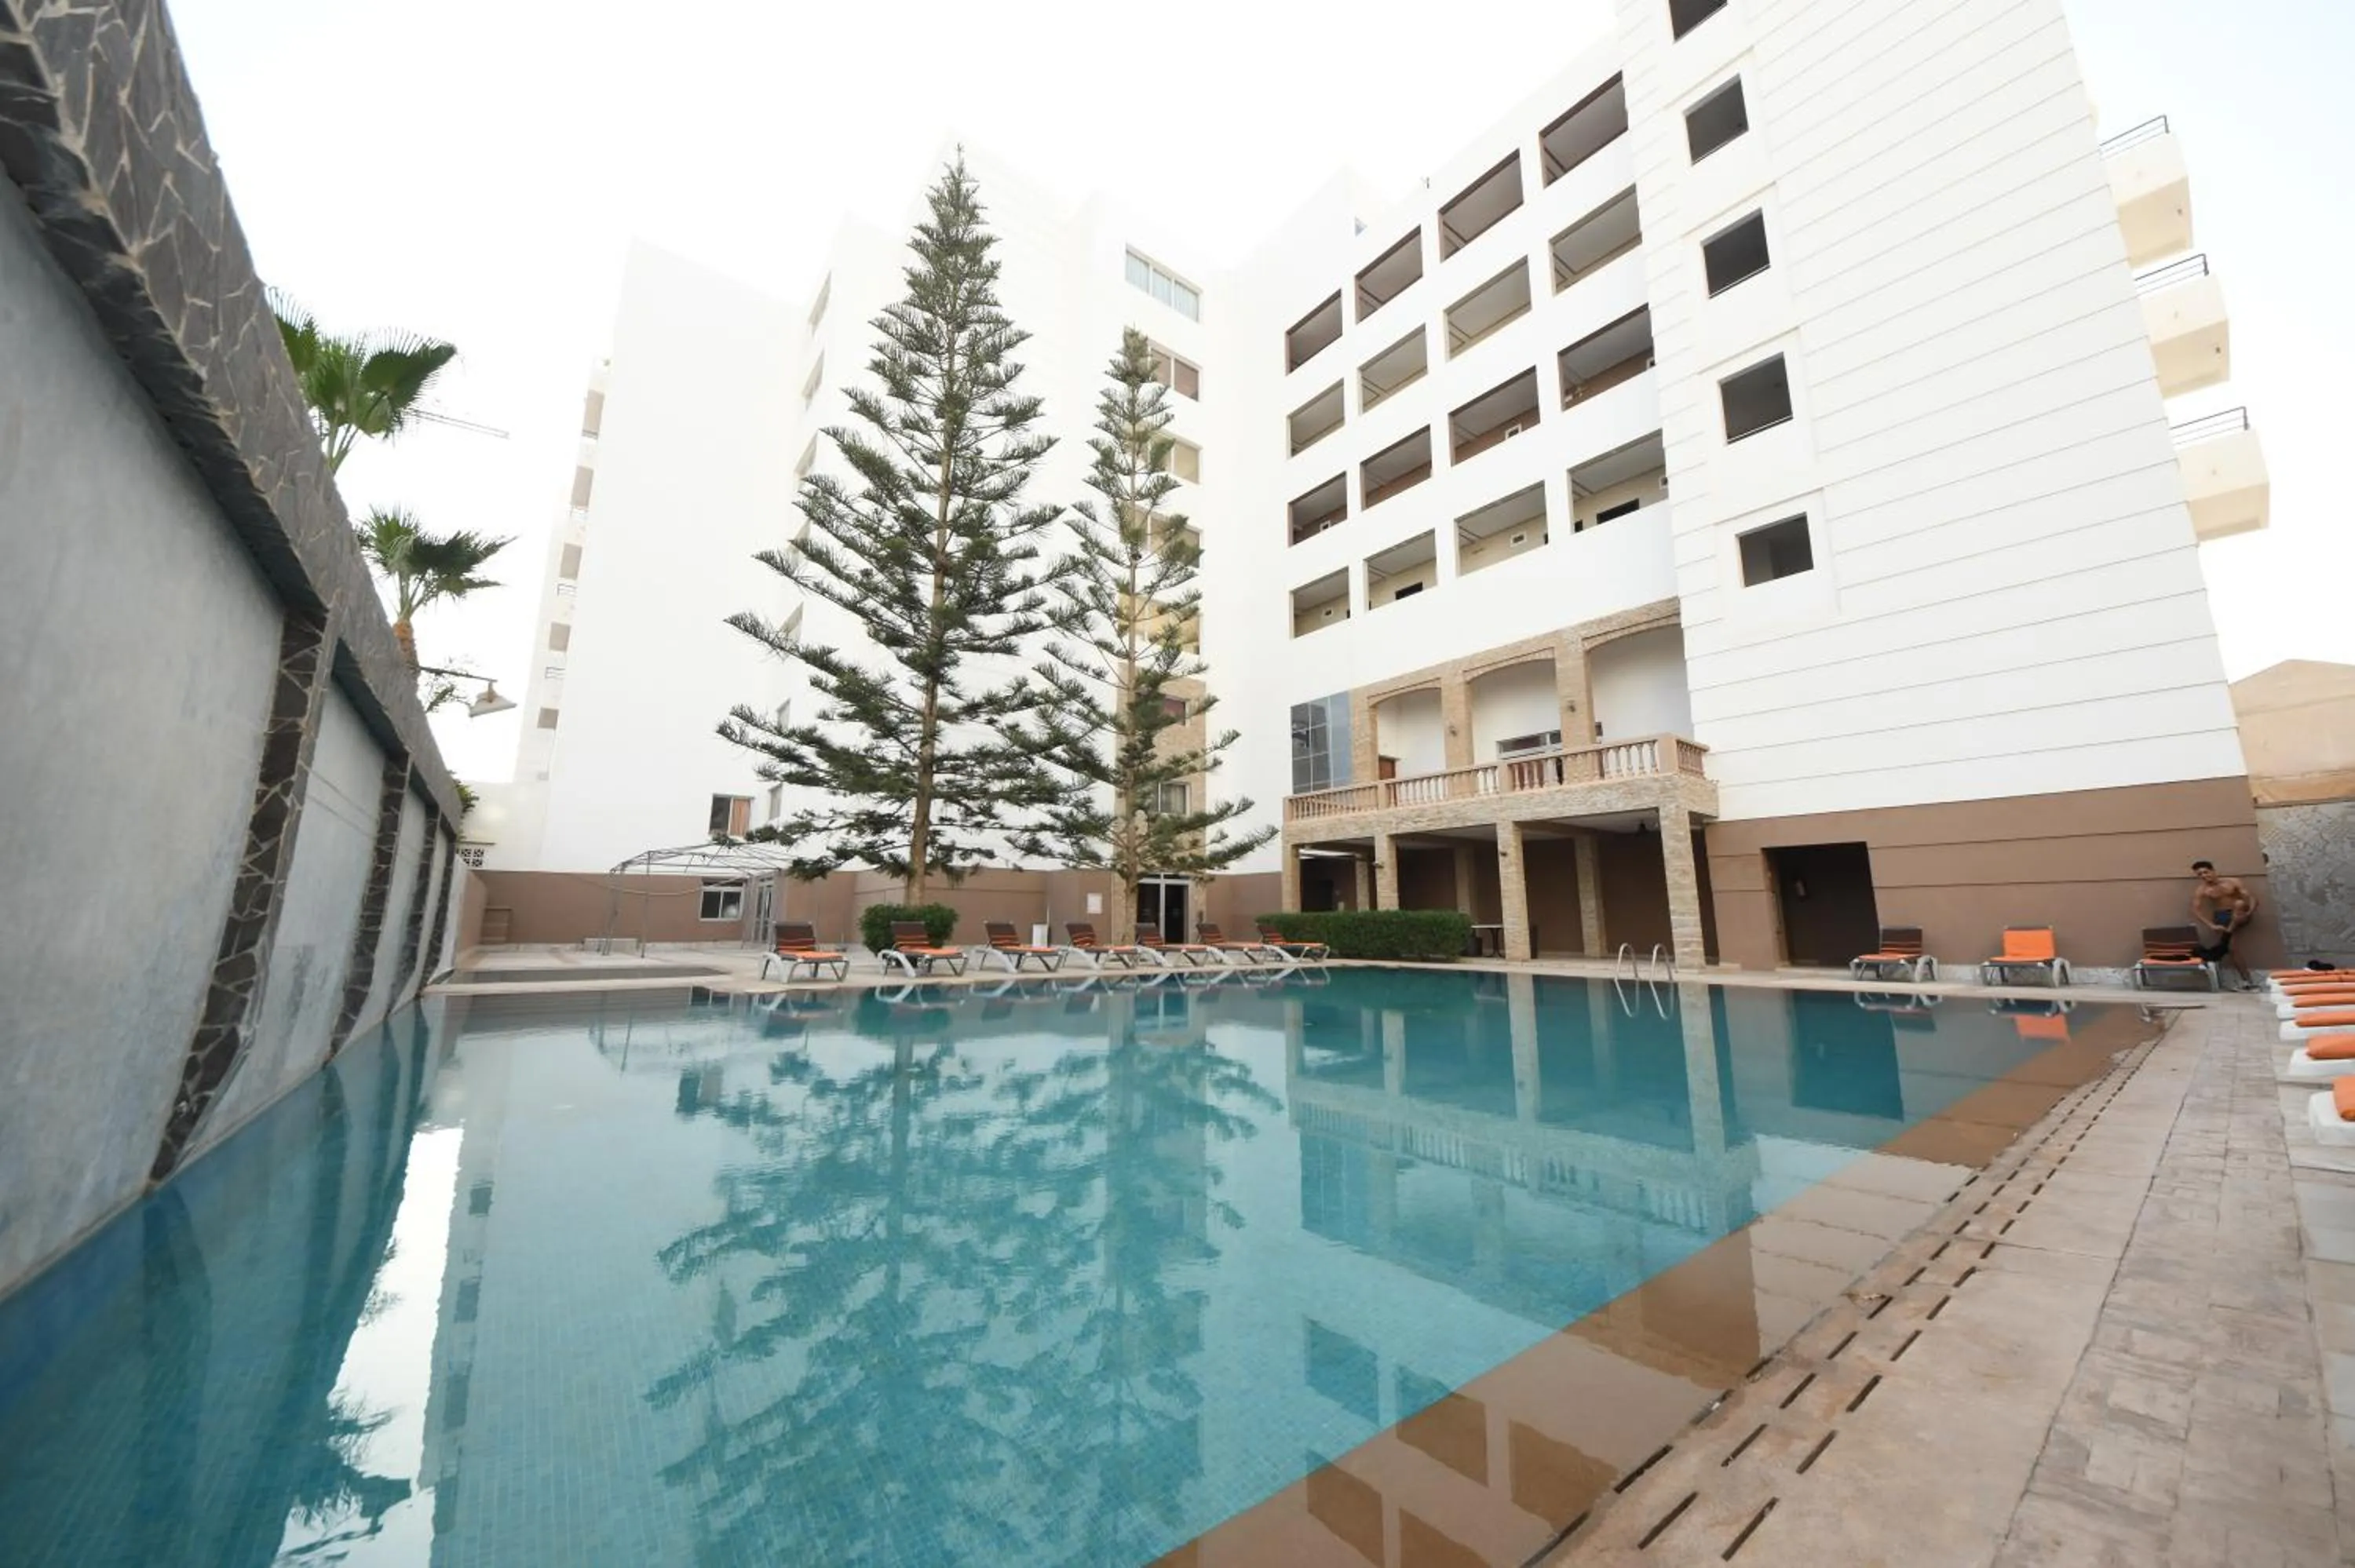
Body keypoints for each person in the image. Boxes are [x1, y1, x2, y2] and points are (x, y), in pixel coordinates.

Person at [2189, 859, 2258, 990]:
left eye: (2206, 872)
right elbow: (2196, 910)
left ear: (2213, 871)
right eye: (2200, 874)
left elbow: (2252, 898)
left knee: (2239, 904)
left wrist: (2249, 912)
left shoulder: (2232, 882)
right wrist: (2211, 925)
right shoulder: (2202, 890)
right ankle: (2247, 982)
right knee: (2232, 949)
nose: (2204, 876)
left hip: (2240, 912)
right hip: (2222, 916)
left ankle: (2227, 935)